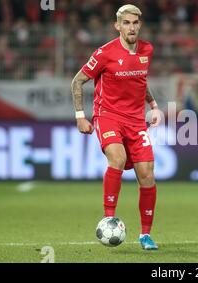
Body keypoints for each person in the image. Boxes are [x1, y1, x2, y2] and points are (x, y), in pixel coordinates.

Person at [70, 4, 161, 250]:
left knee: (147, 174)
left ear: (140, 25)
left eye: (135, 23)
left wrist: (153, 105)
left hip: (135, 120)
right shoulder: (104, 53)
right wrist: (80, 116)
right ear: (117, 25)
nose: (131, 27)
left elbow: (140, 79)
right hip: (107, 116)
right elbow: (78, 81)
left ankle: (145, 235)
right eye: (126, 23)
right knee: (117, 158)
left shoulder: (147, 50)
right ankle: (109, 216)